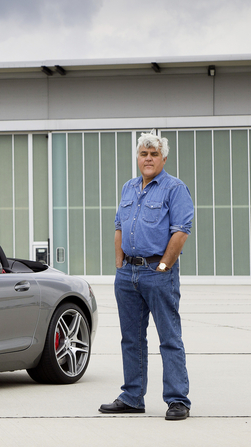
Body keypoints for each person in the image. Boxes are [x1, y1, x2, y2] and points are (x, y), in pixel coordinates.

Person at [99, 131, 194, 421]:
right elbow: (118, 225)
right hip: (128, 274)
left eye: (154, 154)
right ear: (138, 158)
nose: (148, 158)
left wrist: (164, 267)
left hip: (157, 272)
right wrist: (119, 263)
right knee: (131, 339)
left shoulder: (174, 188)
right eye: (144, 154)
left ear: (163, 158)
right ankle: (132, 397)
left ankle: (177, 400)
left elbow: (181, 231)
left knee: (169, 337)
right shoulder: (128, 187)